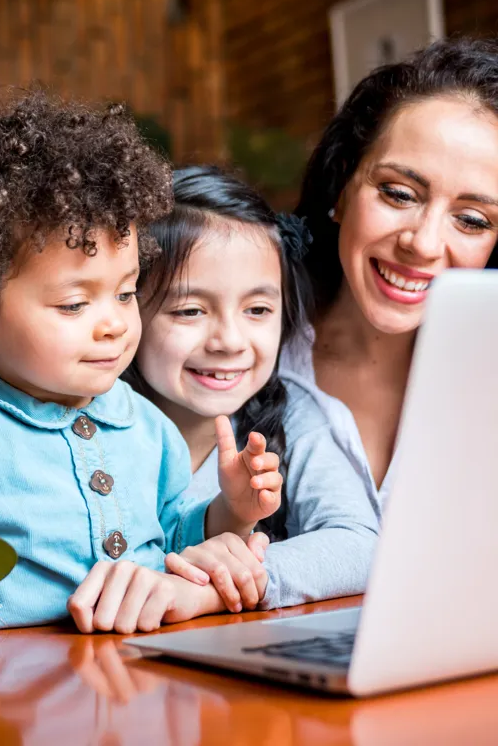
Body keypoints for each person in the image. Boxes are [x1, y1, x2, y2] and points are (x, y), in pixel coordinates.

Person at [0, 92, 283, 648]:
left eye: (125, 293)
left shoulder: (144, 424)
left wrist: (228, 512)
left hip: (134, 683)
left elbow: (171, 540)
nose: (114, 324)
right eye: (74, 305)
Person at [124, 166, 379, 611]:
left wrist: (214, 587)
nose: (230, 341)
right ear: (127, 309)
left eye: (257, 309)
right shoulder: (93, 424)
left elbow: (359, 544)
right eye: (189, 311)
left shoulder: (293, 414)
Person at [284, 36, 498, 511]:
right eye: (399, 193)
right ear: (341, 185)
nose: (421, 243)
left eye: (472, 220)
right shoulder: (237, 349)